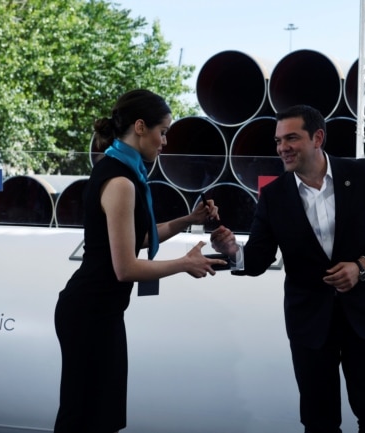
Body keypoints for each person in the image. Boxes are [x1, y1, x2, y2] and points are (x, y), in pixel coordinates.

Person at [211, 104, 365, 433]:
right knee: (318, 422)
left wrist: (362, 267)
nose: (282, 148)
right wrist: (232, 251)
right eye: (278, 141)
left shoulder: (361, 175)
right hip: (310, 326)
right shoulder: (273, 196)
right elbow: (257, 258)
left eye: (291, 138)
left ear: (317, 138)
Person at [54, 89, 227, 433]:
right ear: (140, 127)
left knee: (97, 415)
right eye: (163, 132)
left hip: (97, 310)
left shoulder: (120, 170)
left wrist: (187, 220)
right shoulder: (121, 181)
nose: (164, 142)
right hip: (89, 312)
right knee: (85, 417)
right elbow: (126, 268)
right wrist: (185, 263)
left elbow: (140, 238)